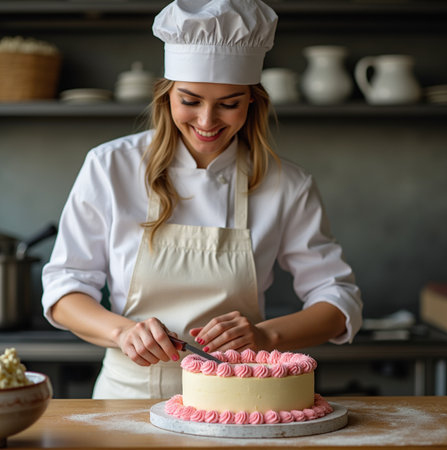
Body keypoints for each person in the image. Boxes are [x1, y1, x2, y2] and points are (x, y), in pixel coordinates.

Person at [42, 0, 362, 399]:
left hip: (240, 398)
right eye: (190, 101)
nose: (207, 122)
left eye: (228, 104)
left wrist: (266, 335)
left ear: (252, 101)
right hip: (127, 397)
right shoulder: (111, 167)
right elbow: (64, 289)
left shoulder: (287, 184)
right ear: (166, 96)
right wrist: (123, 332)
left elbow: (338, 299)